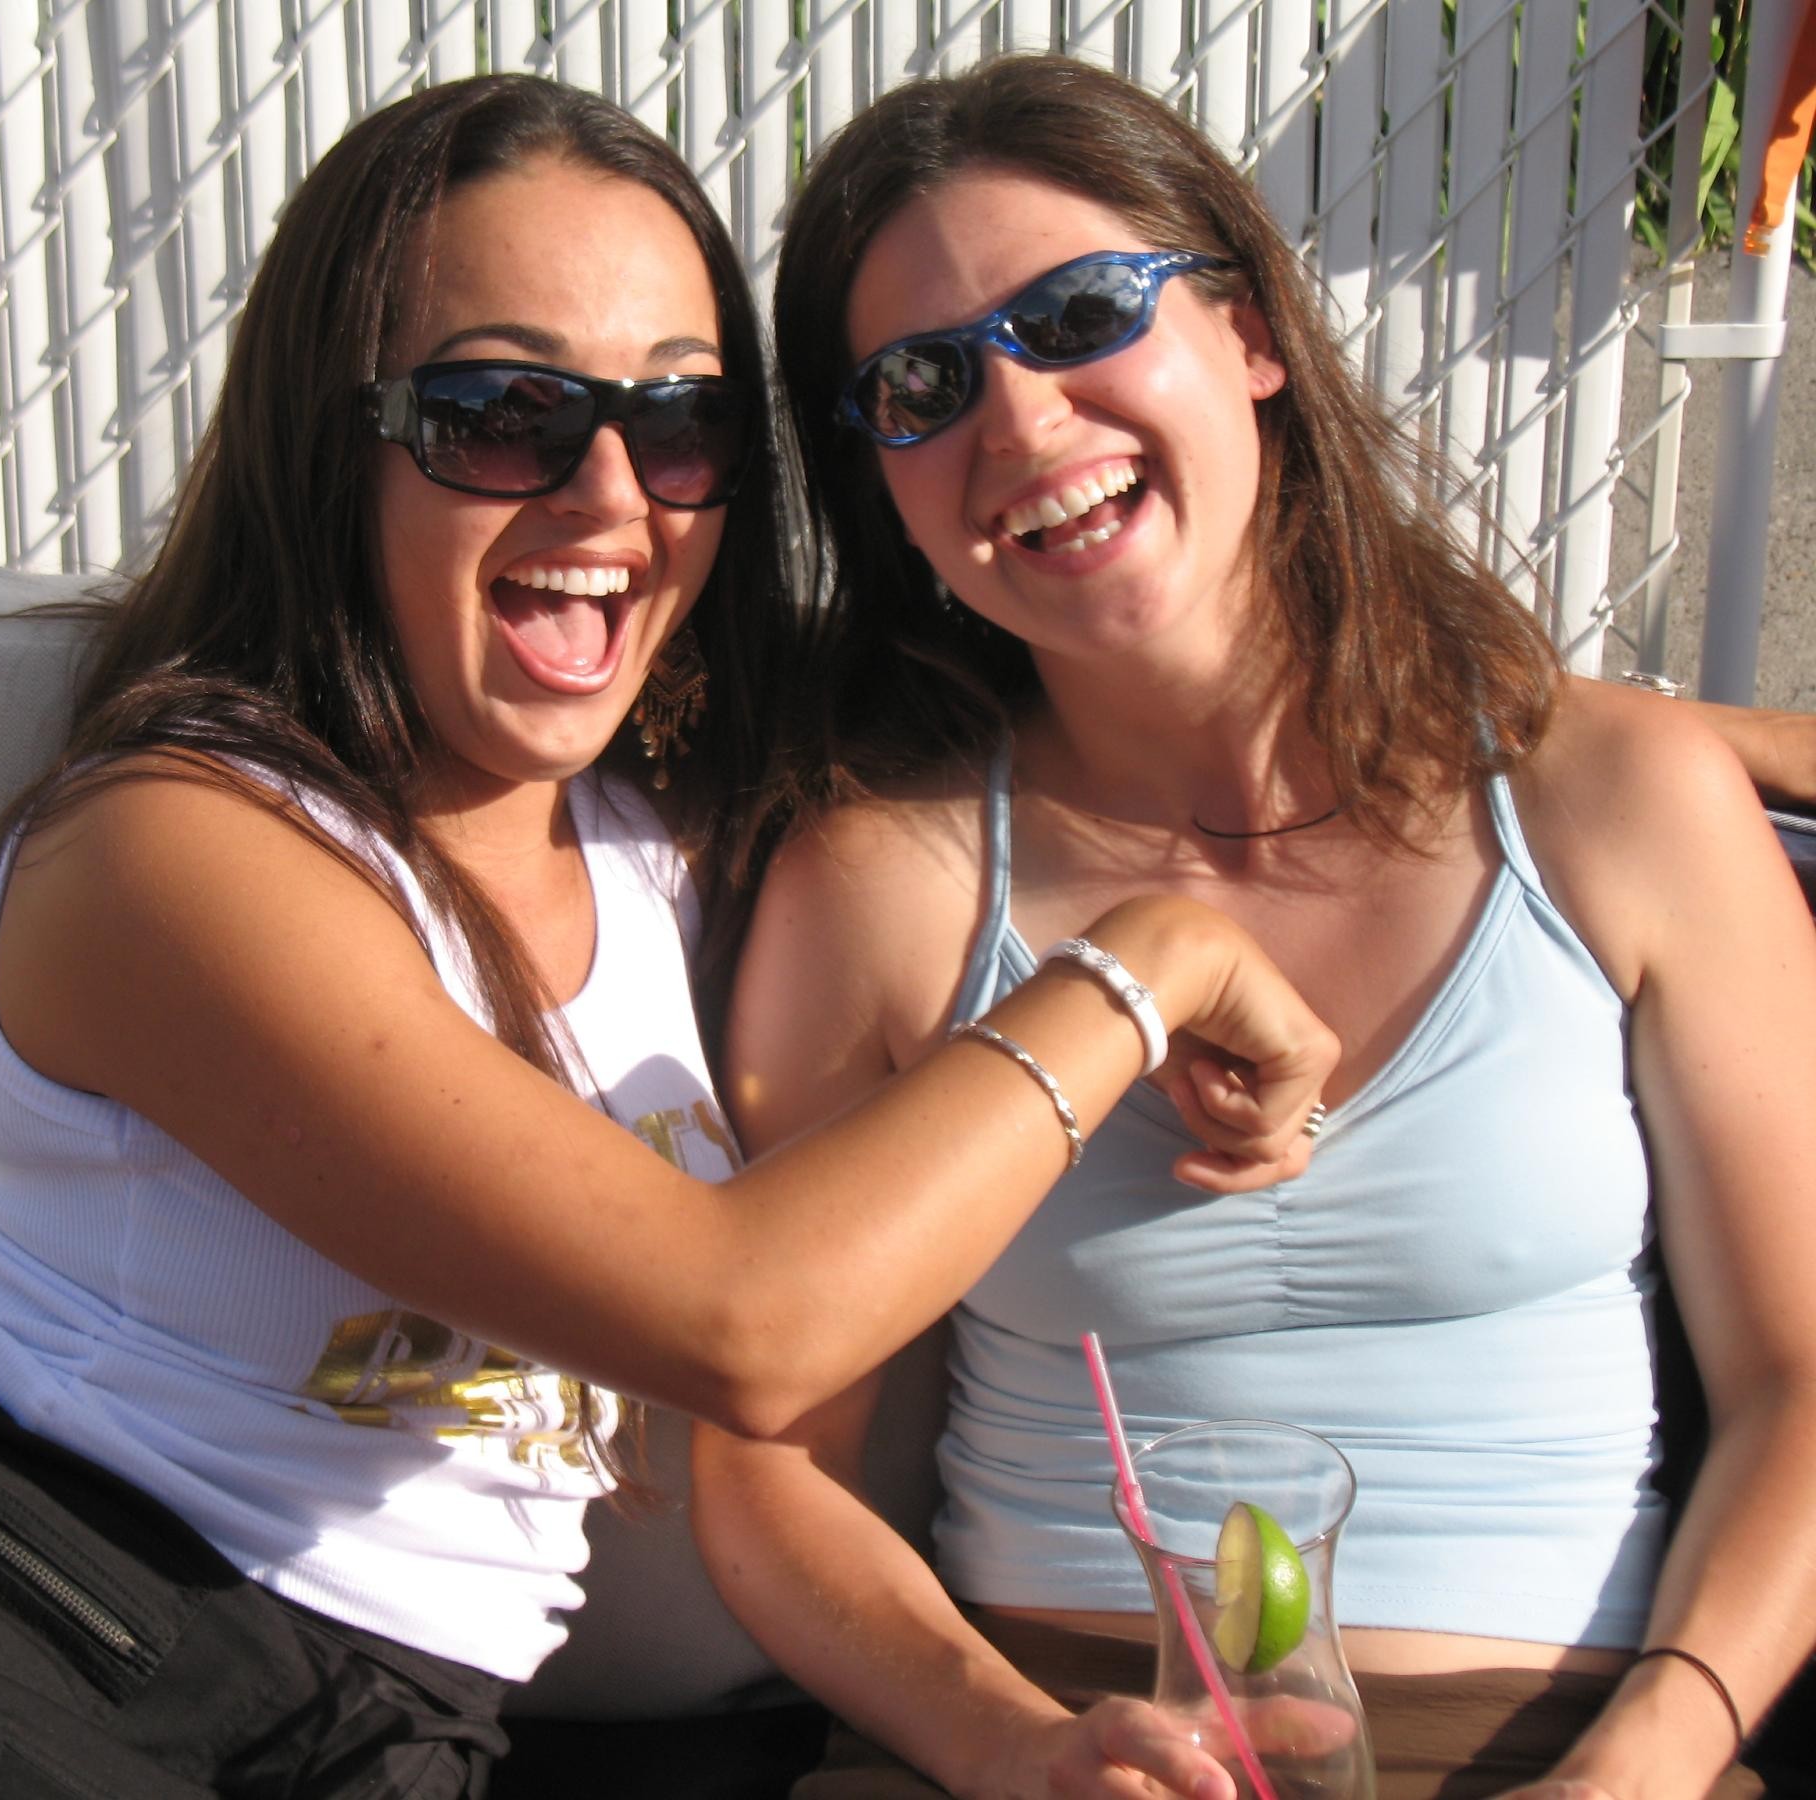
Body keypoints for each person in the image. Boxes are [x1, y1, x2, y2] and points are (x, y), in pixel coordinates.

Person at [0, 72, 1334, 1800]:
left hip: (391, 1738)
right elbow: (749, 1321)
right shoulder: (172, 849)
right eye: (500, 415)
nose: (609, 496)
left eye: (682, 420)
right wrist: (1147, 965)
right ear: (336, 448)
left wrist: (1019, 1747)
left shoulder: (679, 838)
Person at [694, 54, 1816, 1800]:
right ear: (884, 488)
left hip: (1564, 1740)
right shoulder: (880, 884)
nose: (1020, 422)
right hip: (1051, 1735)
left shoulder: (1623, 805)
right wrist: (1016, 1748)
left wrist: (1646, 1763)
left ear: (1251, 332)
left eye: (1080, 314)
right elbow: (772, 1457)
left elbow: (1801, 1386)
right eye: (923, 384)